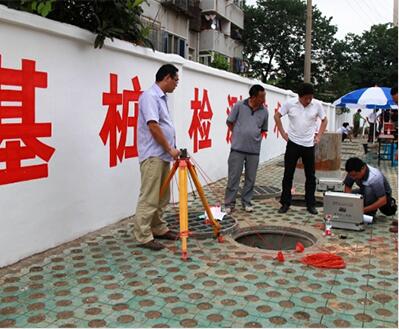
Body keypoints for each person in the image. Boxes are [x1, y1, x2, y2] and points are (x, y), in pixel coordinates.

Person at [134, 64, 181, 251]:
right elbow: (153, 126)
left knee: (162, 197)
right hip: (153, 155)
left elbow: (165, 126)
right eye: (176, 80)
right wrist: (170, 149)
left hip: (163, 155)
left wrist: (171, 149)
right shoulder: (149, 97)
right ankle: (144, 235)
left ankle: (158, 228)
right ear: (167, 77)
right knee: (150, 197)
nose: (177, 84)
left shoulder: (162, 99)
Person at [274, 82, 328, 215]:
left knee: (310, 176)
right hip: (293, 143)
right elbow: (277, 116)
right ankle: (285, 203)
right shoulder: (289, 103)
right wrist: (283, 133)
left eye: (310, 97)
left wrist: (319, 136)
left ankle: (311, 204)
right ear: (299, 96)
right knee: (288, 174)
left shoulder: (317, 105)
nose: (308, 100)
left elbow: (324, 120)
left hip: (309, 145)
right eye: (306, 98)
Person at [224, 84, 269, 214]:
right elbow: (230, 122)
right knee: (234, 177)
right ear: (253, 97)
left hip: (254, 151)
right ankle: (229, 204)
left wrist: (253, 137)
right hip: (237, 149)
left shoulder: (264, 111)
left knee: (251, 178)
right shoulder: (239, 106)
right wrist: (237, 133)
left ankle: (247, 202)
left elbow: (263, 129)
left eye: (264, 96)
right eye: (262, 97)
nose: (264, 100)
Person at [344, 157, 397, 222]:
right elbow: (347, 187)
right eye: (351, 175)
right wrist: (348, 204)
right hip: (364, 190)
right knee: (345, 196)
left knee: (369, 191)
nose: (353, 178)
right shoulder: (352, 172)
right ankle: (365, 207)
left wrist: (363, 210)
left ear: (363, 168)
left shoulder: (375, 177)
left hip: (383, 196)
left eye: (355, 175)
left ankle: (370, 214)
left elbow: (383, 200)